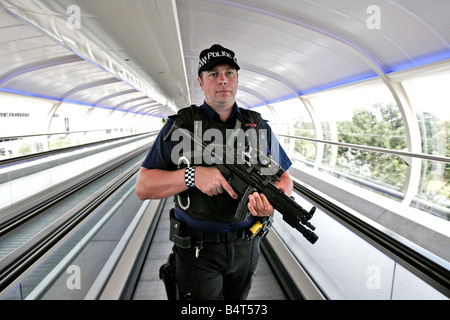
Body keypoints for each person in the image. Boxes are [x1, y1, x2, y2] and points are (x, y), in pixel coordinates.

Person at [136, 44, 293, 300]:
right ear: (200, 81)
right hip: (197, 250)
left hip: (248, 245)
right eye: (213, 73)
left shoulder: (257, 125)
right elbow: (143, 187)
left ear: (237, 79)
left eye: (229, 72)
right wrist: (193, 176)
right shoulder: (181, 126)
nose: (223, 79)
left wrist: (273, 201)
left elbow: (285, 179)